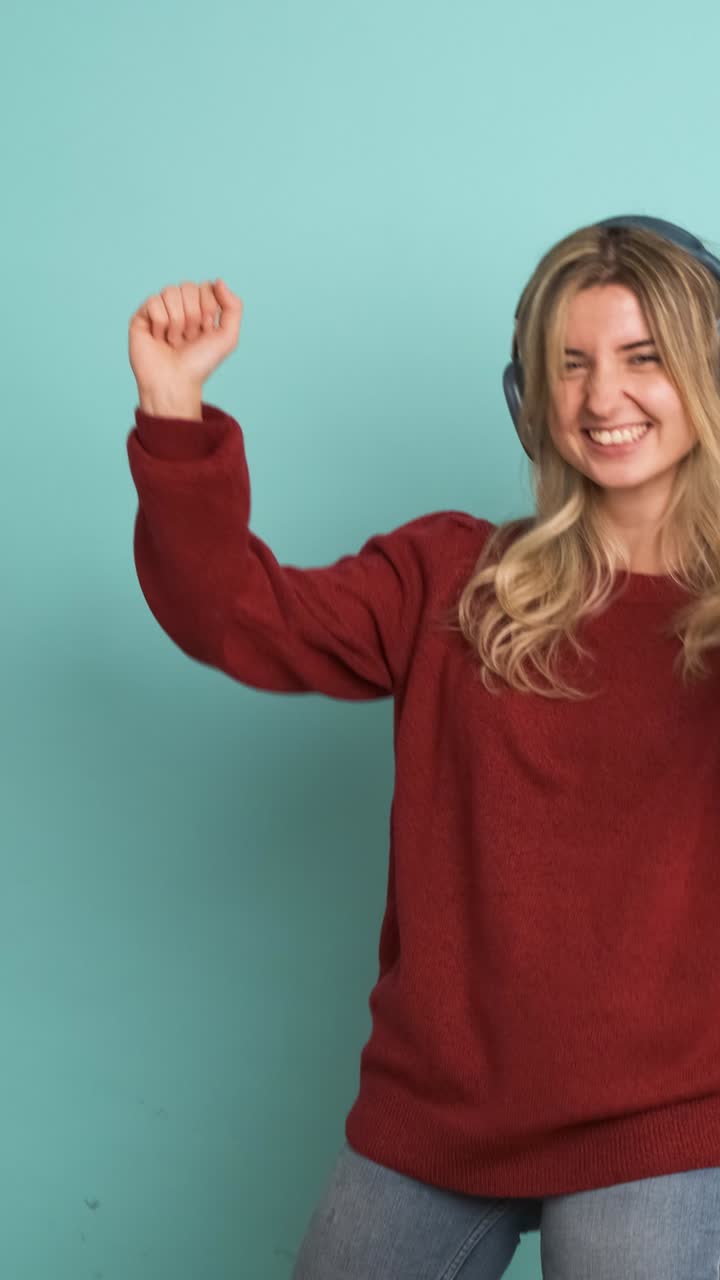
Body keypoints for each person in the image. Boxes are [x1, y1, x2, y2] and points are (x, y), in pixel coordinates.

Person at [125, 218, 720, 1279]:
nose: (602, 397)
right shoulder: (453, 578)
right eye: (569, 364)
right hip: (437, 1107)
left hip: (661, 1117)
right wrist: (175, 409)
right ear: (528, 394)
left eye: (644, 357)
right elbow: (232, 614)